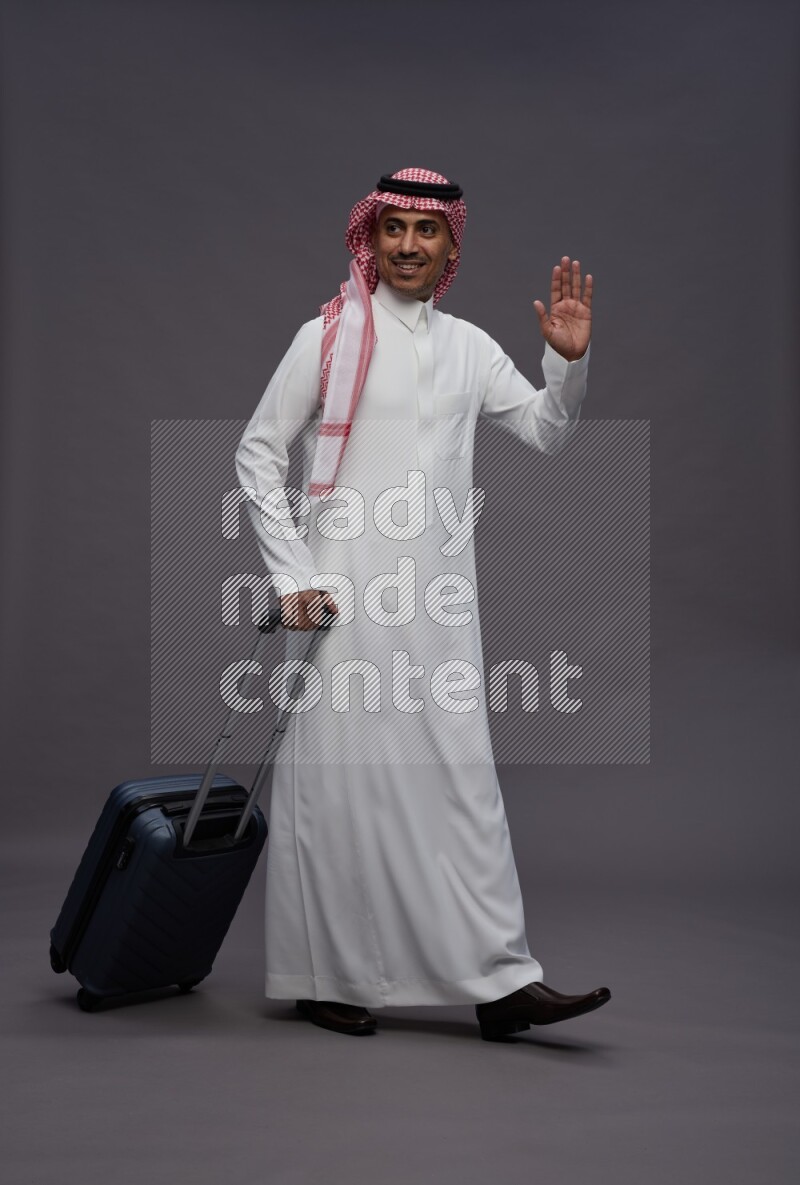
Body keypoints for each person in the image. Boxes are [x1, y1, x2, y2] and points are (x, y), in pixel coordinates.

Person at [235, 168, 611, 1039]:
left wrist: (570, 361)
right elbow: (259, 453)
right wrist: (294, 580)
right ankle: (325, 974)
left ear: (450, 247)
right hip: (338, 602)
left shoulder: (472, 349)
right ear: (369, 239)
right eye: (392, 228)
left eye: (425, 231)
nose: (407, 245)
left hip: (440, 608)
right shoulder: (324, 338)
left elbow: (548, 432)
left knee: (460, 784)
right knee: (339, 790)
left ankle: (502, 980)